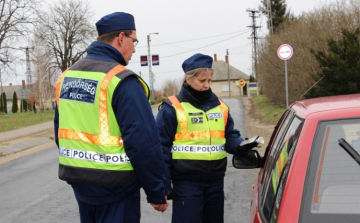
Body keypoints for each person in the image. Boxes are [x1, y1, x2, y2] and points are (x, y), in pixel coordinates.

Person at [54, 12, 168, 223]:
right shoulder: (122, 81)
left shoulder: (66, 77)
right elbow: (143, 143)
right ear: (121, 37)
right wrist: (156, 190)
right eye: (134, 41)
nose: (134, 48)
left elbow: (59, 131)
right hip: (117, 189)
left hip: (80, 184)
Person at [156, 53, 258, 223]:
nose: (206, 85)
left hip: (215, 182)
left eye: (209, 81)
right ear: (188, 79)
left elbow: (229, 135)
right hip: (186, 184)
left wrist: (241, 145)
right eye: (202, 81)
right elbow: (160, 149)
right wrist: (163, 186)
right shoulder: (172, 108)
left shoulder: (220, 106)